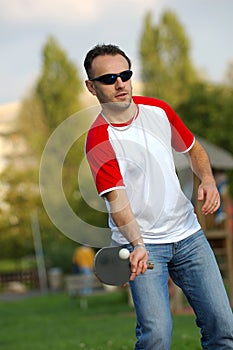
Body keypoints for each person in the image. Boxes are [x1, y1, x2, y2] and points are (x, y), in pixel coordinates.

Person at [84, 44, 233, 349]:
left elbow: (193, 149)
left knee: (223, 326)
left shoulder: (159, 110)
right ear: (92, 87)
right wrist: (137, 244)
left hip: (189, 235)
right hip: (142, 245)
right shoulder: (99, 139)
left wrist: (207, 178)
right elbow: (118, 203)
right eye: (109, 78)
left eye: (125, 74)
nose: (120, 83)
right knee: (156, 337)